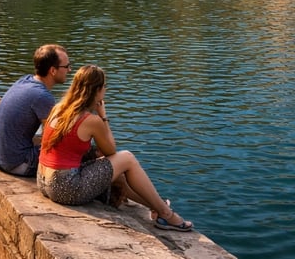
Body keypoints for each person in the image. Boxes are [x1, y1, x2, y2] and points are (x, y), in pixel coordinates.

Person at [37, 64, 194, 232]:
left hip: (43, 181)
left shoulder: (58, 108)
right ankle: (166, 213)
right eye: (104, 86)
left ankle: (157, 206)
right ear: (97, 90)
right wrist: (104, 117)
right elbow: (111, 150)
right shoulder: (90, 120)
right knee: (127, 158)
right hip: (64, 188)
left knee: (115, 171)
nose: (105, 90)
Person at [0, 44, 70, 176]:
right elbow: (55, 139)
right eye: (66, 66)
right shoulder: (43, 97)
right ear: (53, 71)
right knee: (73, 153)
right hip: (17, 163)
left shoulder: (24, 81)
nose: (69, 70)